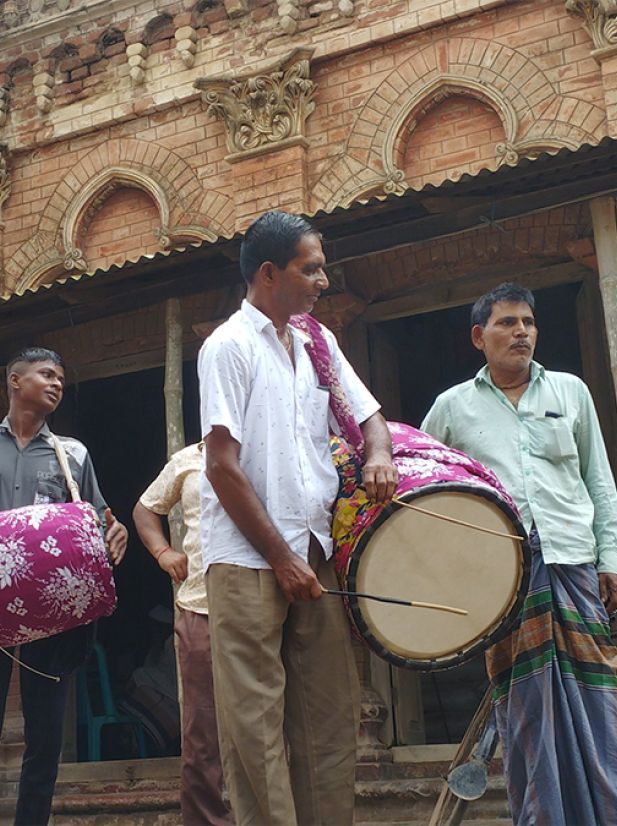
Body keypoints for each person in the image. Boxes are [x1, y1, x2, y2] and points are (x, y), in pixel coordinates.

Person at [198, 210, 397, 825]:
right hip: (248, 559)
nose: (322, 281)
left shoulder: (316, 340)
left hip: (312, 548)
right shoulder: (227, 347)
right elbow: (221, 466)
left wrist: (380, 456)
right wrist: (280, 560)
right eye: (310, 269)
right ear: (268, 273)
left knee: (328, 719)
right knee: (255, 733)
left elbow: (369, 418)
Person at [420, 282, 617, 825]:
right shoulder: (453, 407)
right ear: (480, 336)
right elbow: (421, 482)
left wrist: (609, 558)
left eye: (528, 322)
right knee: (527, 713)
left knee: (600, 704)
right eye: (507, 323)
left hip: (574, 564)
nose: (521, 332)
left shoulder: (570, 392)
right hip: (504, 577)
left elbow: (598, 480)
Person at [0, 347, 129, 826]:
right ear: (15, 380)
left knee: (46, 738)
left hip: (53, 613)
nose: (56, 384)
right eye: (46, 374)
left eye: (61, 378)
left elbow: (96, 517)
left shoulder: (72, 454)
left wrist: (117, 531)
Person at [132, 441, 231, 826]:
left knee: (262, 727)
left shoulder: (266, 445)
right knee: (202, 732)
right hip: (199, 607)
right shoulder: (188, 458)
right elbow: (146, 508)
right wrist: (162, 552)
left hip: (261, 607)